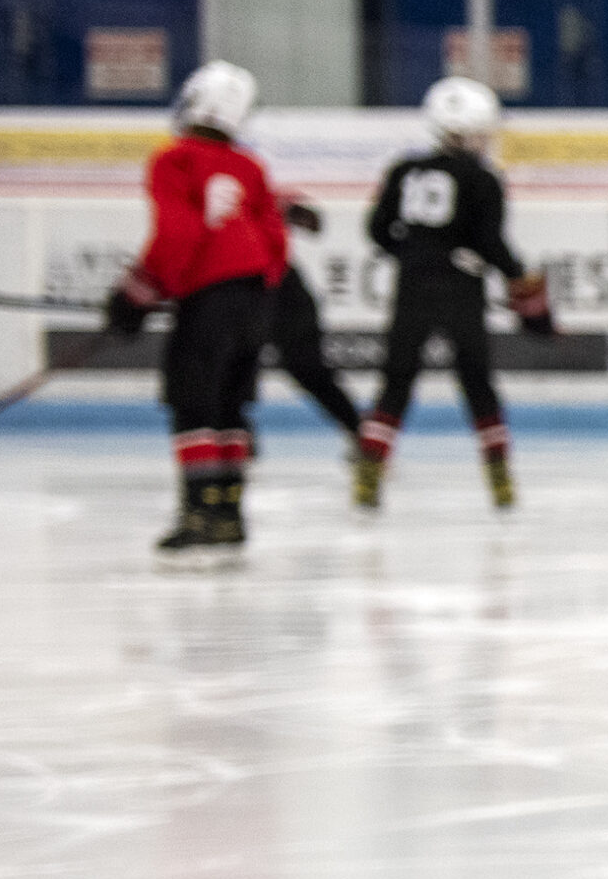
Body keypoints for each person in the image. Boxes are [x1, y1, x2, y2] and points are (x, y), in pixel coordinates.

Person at [104, 60, 287, 560]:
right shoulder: (250, 166)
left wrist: (139, 292)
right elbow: (275, 242)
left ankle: (198, 512)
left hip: (210, 297)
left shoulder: (175, 160)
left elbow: (179, 234)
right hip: (254, 297)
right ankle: (228, 514)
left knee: (192, 401)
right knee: (230, 405)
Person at [353, 76, 554, 512]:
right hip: (460, 290)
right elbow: (491, 242)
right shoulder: (482, 179)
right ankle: (500, 480)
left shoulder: (403, 170)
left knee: (396, 382)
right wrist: (517, 275)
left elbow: (376, 231)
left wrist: (414, 253)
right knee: (477, 382)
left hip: (412, 286)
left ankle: (368, 474)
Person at [270, 200, 365, 444]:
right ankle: (234, 440)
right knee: (228, 367)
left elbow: (310, 219)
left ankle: (360, 433)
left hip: (281, 292)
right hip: (235, 290)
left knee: (308, 369)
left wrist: (292, 212)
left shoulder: (245, 186)